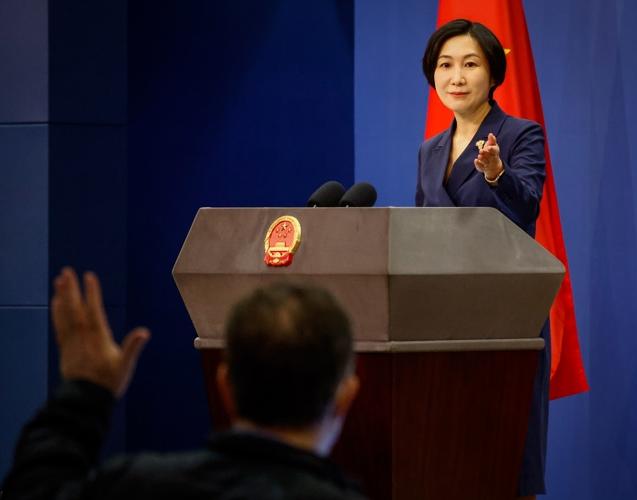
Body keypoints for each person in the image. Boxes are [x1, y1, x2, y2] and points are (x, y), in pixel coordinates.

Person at [2, 268, 365, 500]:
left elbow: (36, 489)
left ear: (224, 386)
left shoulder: (133, 487)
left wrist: (84, 393)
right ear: (346, 397)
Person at [417, 19, 549, 499]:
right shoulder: (430, 150)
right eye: (445, 65)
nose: (456, 77)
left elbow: (527, 206)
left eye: (470, 64)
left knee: (503, 458)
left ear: (493, 73)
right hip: (443, 317)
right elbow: (421, 230)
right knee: (447, 459)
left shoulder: (519, 135)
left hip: (504, 310)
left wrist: (497, 174)